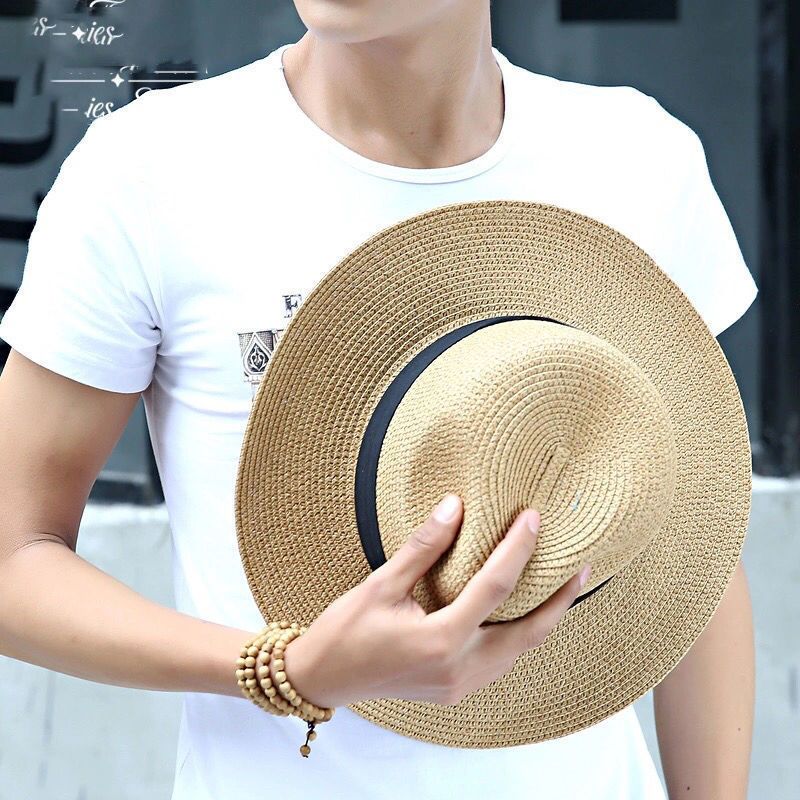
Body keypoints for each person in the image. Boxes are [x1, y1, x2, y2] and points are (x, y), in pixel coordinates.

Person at [0, 2, 757, 798]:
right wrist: (289, 669)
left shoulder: (635, 160)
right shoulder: (153, 171)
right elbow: (14, 556)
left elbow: (695, 541)